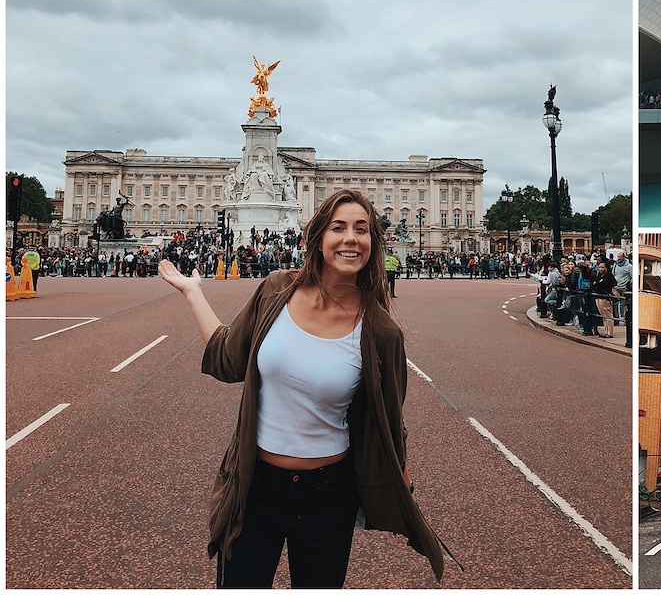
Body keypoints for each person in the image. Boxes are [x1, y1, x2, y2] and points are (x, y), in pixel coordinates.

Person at [158, 189, 447, 588]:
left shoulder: (381, 331)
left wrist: (404, 490)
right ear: (319, 237)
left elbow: (389, 420)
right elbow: (228, 358)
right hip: (254, 484)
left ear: (373, 243)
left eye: (362, 230)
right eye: (339, 227)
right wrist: (193, 293)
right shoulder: (277, 289)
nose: (351, 238)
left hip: (329, 494)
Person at [592, 259, 617, 337]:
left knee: (608, 315)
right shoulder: (599, 275)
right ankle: (606, 331)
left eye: (602, 267)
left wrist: (597, 283)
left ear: (606, 268)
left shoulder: (609, 276)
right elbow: (594, 284)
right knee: (603, 316)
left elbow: (600, 284)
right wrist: (597, 283)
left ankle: (610, 333)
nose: (600, 269)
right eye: (599, 267)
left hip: (605, 297)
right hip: (598, 296)